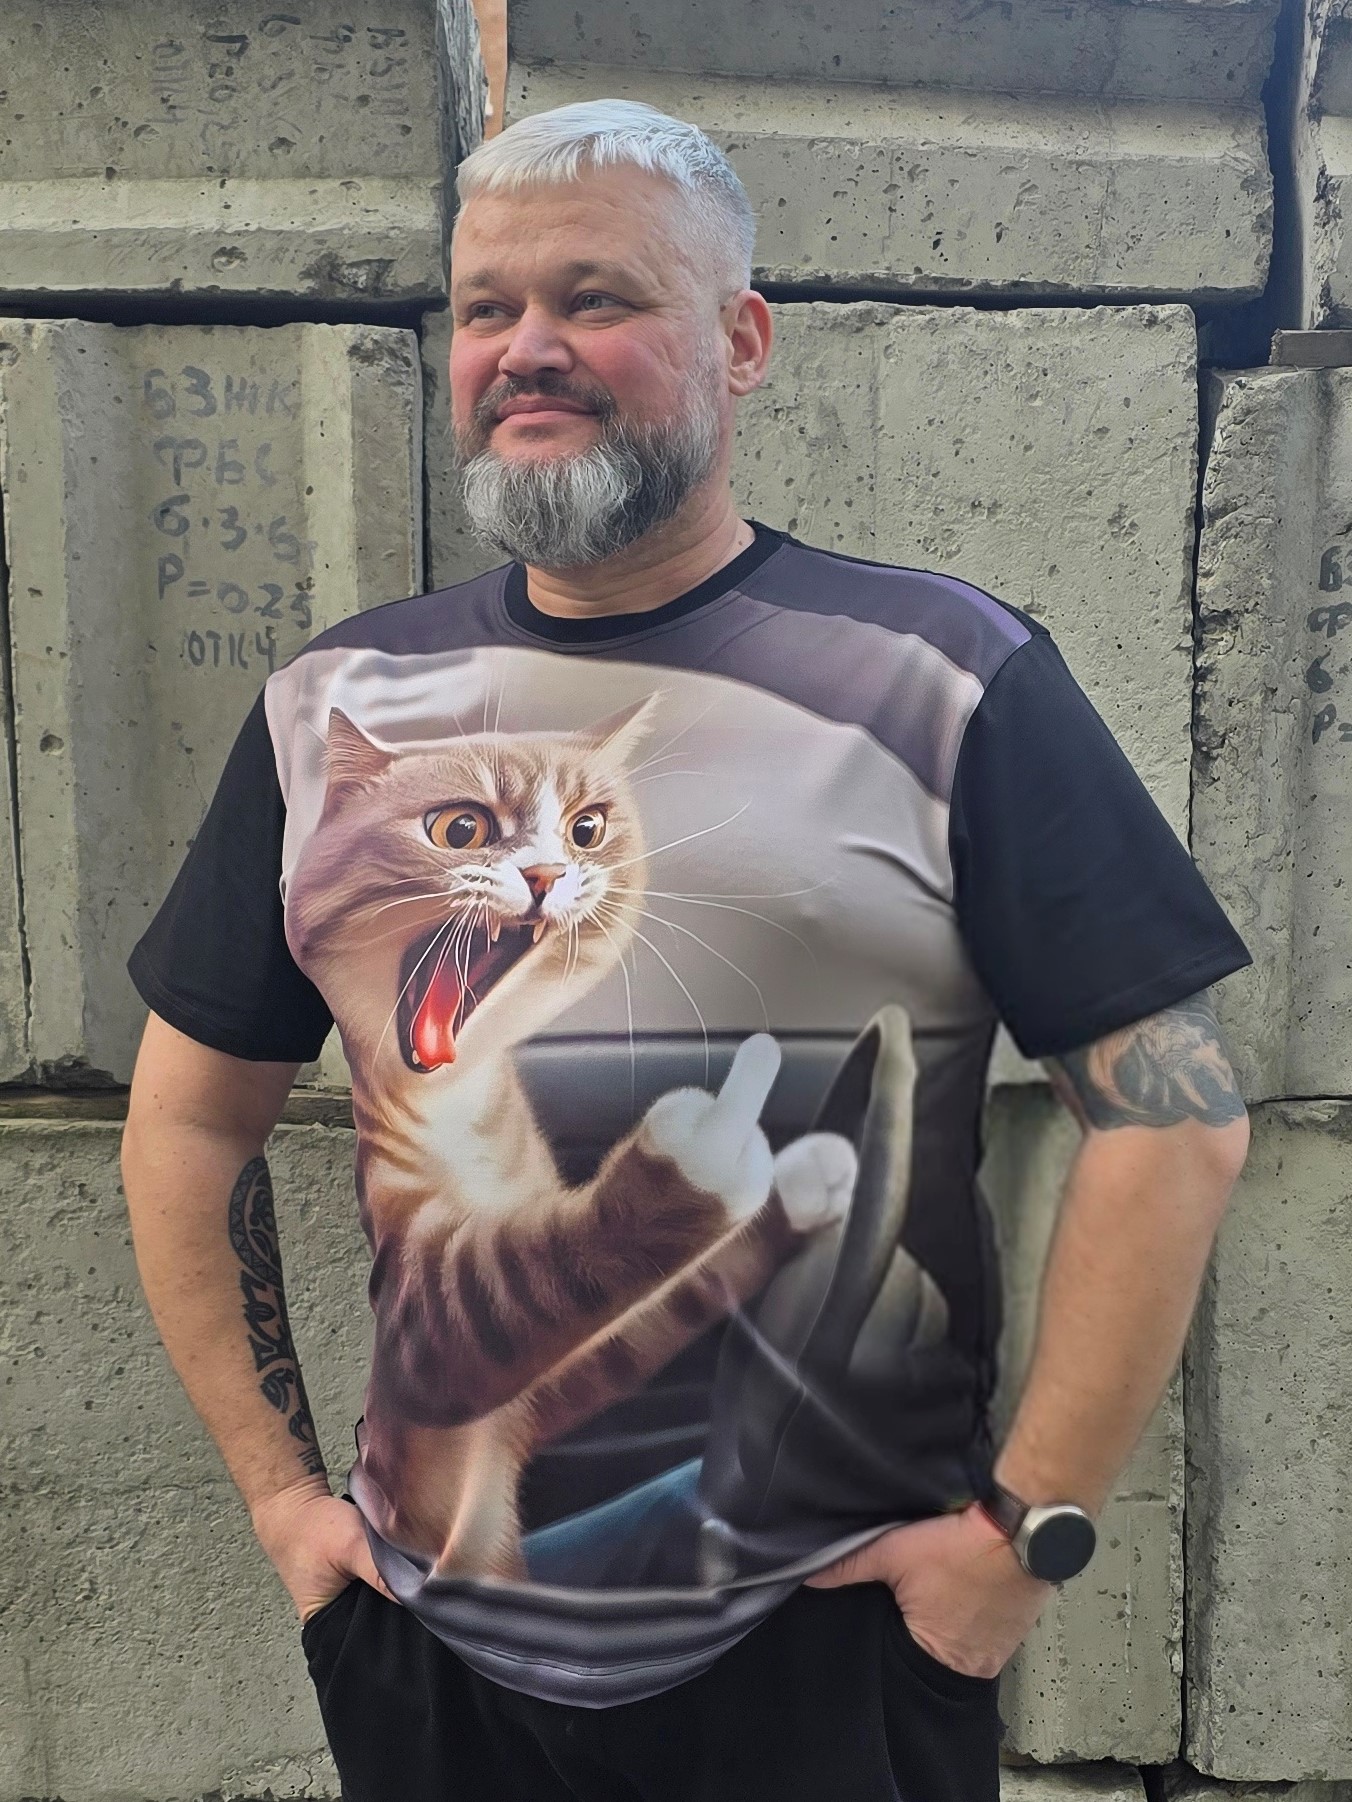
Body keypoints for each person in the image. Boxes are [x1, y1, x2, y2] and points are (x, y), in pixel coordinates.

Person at [121, 99, 1253, 1802]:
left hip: (829, 1654)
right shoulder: (333, 707)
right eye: (487, 307)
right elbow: (188, 1124)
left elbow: (1176, 1121)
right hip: (436, 1649)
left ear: (743, 340)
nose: (527, 348)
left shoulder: (945, 675)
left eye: (597, 297)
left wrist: (1019, 1542)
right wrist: (285, 1505)